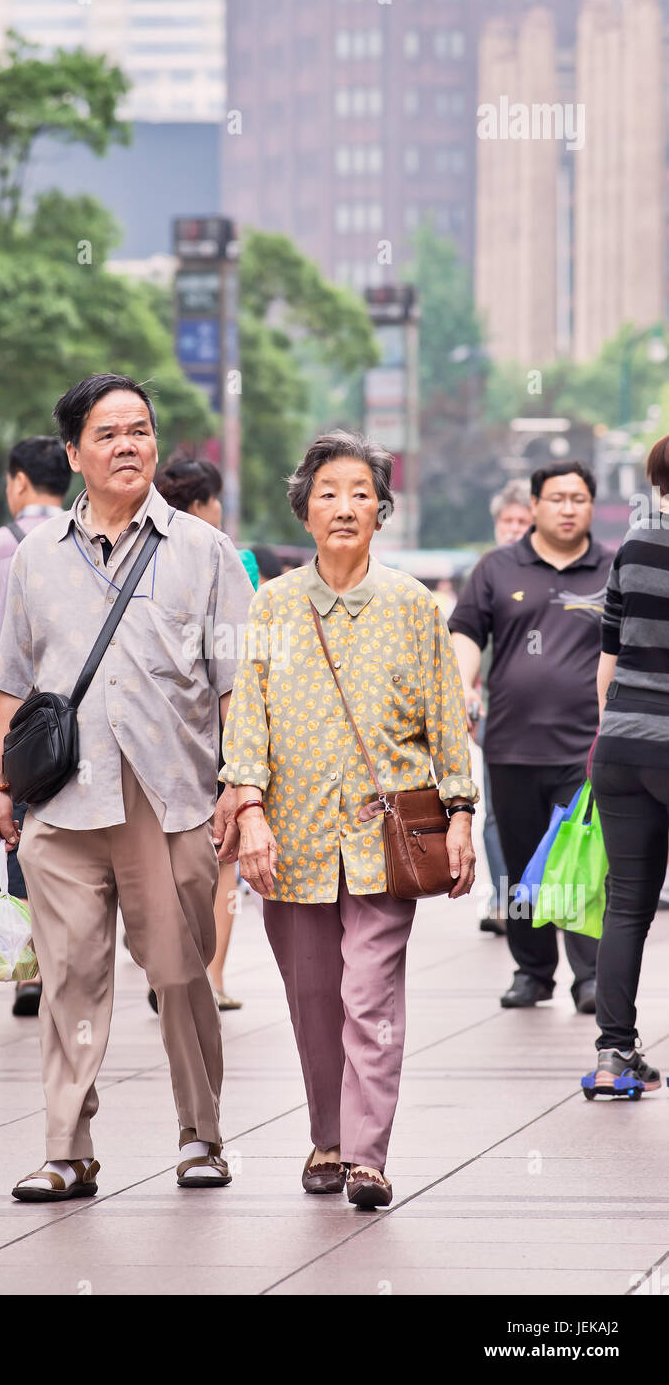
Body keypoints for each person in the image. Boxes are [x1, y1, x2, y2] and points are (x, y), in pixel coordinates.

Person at [0, 374, 254, 1200]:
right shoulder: (36, 557)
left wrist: (239, 790)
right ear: (74, 454)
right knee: (67, 979)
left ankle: (201, 1135)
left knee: (178, 974)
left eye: (140, 430)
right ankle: (68, 1149)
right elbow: (10, 683)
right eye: (107, 434)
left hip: (166, 799)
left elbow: (240, 681)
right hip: (62, 805)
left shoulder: (203, 553)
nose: (128, 445)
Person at [220, 431, 478, 1207]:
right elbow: (248, 724)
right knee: (313, 1002)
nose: (344, 506)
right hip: (290, 843)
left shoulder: (411, 607)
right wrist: (250, 811)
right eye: (329, 492)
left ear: (381, 510)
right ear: (305, 509)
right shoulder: (272, 605)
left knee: (370, 994)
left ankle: (367, 1156)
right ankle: (325, 1140)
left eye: (360, 492)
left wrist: (461, 813)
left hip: (385, 839)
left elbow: (446, 718)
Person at [449, 461, 614, 1012]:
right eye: (557, 498)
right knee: (522, 865)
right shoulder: (498, 568)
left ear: (591, 505)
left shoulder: (612, 570)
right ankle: (533, 972)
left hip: (588, 748)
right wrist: (464, 683)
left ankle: (589, 977)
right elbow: (466, 633)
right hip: (511, 745)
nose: (568, 508)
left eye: (578, 498)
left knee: (581, 859)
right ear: (536, 505)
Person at [0, 435, 72, 1018]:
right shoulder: (85, 540)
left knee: (14, 838)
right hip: (70, 724)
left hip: (4, 725)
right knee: (78, 835)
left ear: (20, 481)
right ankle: (77, 953)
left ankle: (27, 971)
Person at [585, 438, 669, 1093]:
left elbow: (607, 661)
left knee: (627, 905)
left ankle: (613, 1055)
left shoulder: (633, 547)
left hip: (620, 746)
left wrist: (613, 730)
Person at [154, 454, 247, 1011]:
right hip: (211, 740)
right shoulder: (231, 560)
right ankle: (209, 978)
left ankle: (162, 969)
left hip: (152, 740)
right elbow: (246, 665)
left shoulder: (134, 558)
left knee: (156, 860)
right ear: (200, 505)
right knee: (221, 862)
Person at [469, 480, 533, 935]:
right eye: (507, 522)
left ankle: (541, 898)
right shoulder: (486, 573)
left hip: (551, 717)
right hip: (493, 710)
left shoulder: (547, 572)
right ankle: (506, 900)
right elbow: (464, 640)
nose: (513, 529)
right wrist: (467, 693)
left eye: (521, 522)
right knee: (495, 811)